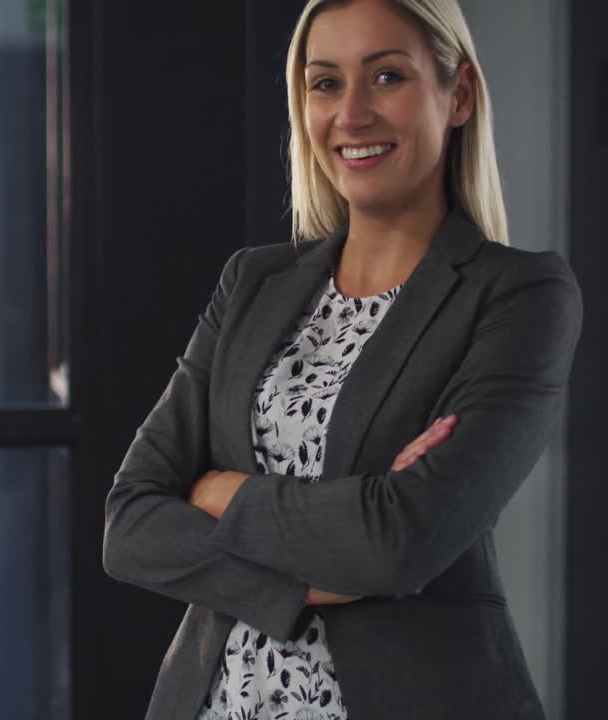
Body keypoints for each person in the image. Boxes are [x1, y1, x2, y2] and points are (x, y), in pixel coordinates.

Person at [102, 0, 583, 717]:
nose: (350, 114)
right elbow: (131, 524)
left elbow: (398, 541)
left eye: (386, 76)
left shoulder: (518, 295)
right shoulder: (251, 282)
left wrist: (219, 492)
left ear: (458, 94)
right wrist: (307, 575)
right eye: (324, 83)